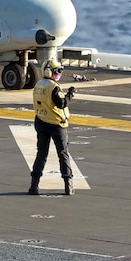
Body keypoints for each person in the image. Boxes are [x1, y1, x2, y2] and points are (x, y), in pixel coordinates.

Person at [28, 58, 76, 196]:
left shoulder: (38, 85)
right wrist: (70, 94)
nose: (58, 74)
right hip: (56, 124)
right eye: (57, 71)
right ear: (49, 71)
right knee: (63, 153)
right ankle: (68, 185)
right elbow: (61, 103)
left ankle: (34, 185)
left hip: (41, 121)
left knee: (41, 154)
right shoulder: (53, 87)